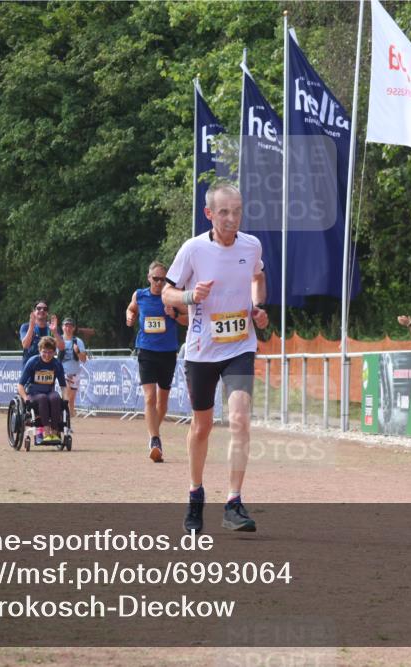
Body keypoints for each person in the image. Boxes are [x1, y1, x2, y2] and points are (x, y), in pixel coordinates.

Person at [162, 182, 268, 534]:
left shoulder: (251, 245)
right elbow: (167, 291)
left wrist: (257, 307)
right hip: (201, 351)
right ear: (209, 213)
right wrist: (191, 295)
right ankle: (195, 495)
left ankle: (234, 502)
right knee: (202, 426)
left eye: (237, 211)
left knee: (240, 420)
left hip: (240, 346)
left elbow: (257, 277)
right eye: (224, 212)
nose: (231, 218)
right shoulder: (193, 249)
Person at [127, 261, 187, 462]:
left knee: (162, 403)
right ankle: (155, 439)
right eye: (156, 279)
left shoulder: (172, 296)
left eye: (163, 279)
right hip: (146, 351)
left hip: (168, 353)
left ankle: (154, 434)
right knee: (150, 398)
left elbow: (189, 319)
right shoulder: (140, 295)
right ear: (148, 278)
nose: (159, 283)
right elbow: (131, 308)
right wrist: (129, 316)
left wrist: (175, 314)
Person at [17, 336, 67, 445]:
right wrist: (25, 398)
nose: (47, 355)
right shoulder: (32, 362)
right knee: (42, 398)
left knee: (55, 398)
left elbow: (63, 385)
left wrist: (65, 399)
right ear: (40, 350)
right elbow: (20, 385)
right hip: (33, 393)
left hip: (49, 391)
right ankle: (45, 431)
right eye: (44, 352)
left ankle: (54, 432)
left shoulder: (56, 364)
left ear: (54, 352)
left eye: (50, 352)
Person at [59, 318, 88, 423]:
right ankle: (63, 422)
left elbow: (84, 359)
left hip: (75, 374)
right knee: (66, 397)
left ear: (74, 328)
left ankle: (68, 423)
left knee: (71, 401)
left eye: (70, 326)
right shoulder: (58, 340)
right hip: (63, 374)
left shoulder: (78, 341)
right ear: (62, 327)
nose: (68, 328)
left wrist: (78, 351)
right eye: (66, 326)